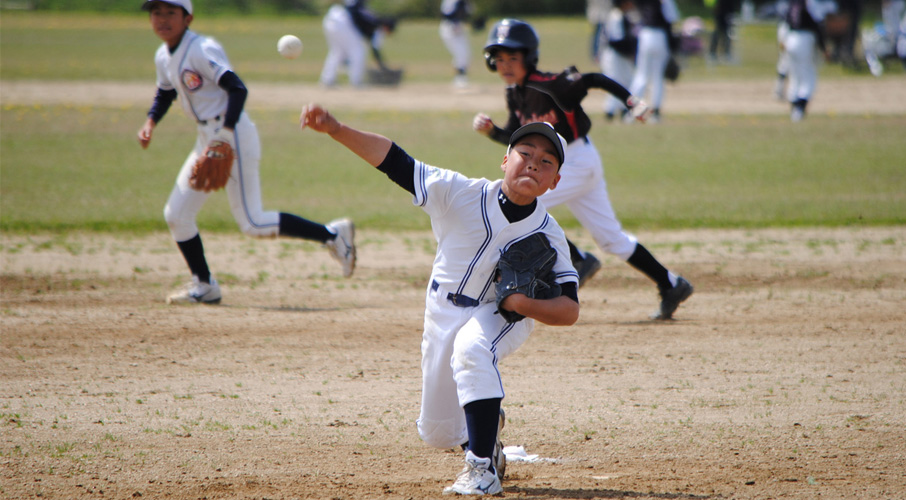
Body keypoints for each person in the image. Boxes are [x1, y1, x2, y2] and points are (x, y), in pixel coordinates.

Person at [300, 104, 581, 496]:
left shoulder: (549, 234)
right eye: (526, 154)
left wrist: (522, 305)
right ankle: (487, 428)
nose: (534, 164)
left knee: (472, 349)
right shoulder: (457, 192)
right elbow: (393, 160)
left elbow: (569, 310)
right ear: (505, 159)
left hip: (500, 314)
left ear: (555, 181)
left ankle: (481, 470)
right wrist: (335, 129)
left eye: (546, 161)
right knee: (436, 432)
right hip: (442, 310)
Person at [137, 0, 355, 305]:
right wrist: (150, 122)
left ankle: (332, 235)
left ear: (188, 18)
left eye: (170, 12)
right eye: (156, 12)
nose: (162, 19)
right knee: (177, 214)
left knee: (252, 222)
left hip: (232, 134)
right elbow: (166, 91)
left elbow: (237, 88)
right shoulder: (164, 55)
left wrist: (224, 137)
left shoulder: (201, 48)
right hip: (207, 137)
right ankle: (205, 285)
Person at [474, 19, 693, 321]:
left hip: (577, 160)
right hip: (570, 164)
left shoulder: (552, 85)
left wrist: (631, 102)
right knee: (611, 238)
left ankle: (579, 259)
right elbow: (515, 136)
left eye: (513, 57)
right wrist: (492, 131)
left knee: (522, 203)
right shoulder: (515, 93)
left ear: (529, 57)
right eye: (499, 59)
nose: (506, 65)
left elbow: (595, 79)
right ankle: (671, 283)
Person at [320, 0, 396, 87]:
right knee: (358, 51)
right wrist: (383, 67)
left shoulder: (371, 16)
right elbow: (375, 49)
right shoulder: (377, 26)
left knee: (337, 52)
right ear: (386, 27)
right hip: (344, 21)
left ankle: (327, 80)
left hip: (331, 17)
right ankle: (356, 81)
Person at [627, 0, 680, 123]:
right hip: (659, 35)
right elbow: (672, 18)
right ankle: (655, 113)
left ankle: (631, 111)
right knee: (657, 77)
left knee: (641, 75)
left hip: (644, 34)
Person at [782, 0, 828, 121]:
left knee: (795, 75)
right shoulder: (810, 3)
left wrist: (783, 40)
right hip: (805, 38)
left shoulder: (793, 3)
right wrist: (823, 47)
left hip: (790, 38)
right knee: (808, 74)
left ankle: (794, 107)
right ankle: (799, 108)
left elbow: (785, 22)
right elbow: (817, 24)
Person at [601, 0, 640, 121]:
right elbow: (616, 41)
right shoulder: (616, 16)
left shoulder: (623, 15)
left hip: (620, 55)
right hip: (615, 55)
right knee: (616, 81)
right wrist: (629, 53)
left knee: (627, 81)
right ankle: (610, 111)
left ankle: (623, 110)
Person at [439, 0, 474, 88]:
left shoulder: (465, 2)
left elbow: (468, 14)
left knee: (465, 54)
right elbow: (445, 14)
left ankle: (460, 77)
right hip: (450, 28)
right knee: (461, 54)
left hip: (459, 28)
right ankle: (459, 78)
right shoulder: (451, 1)